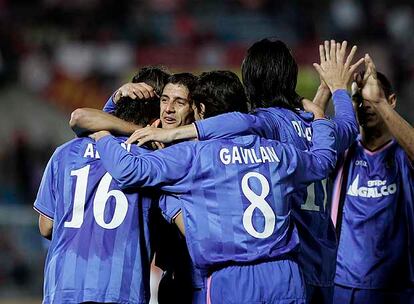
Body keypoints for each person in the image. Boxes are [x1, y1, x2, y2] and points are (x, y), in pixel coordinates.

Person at [129, 39, 363, 304]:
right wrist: (337, 89)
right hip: (321, 265)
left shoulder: (260, 125)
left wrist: (174, 134)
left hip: (281, 258)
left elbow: (235, 123)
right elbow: (347, 126)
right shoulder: (322, 128)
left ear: (249, 82)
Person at [90, 70, 338, 303]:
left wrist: (103, 133)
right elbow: (324, 160)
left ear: (198, 109)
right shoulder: (276, 151)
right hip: (282, 273)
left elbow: (125, 167)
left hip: (218, 277)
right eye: (164, 100)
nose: (168, 109)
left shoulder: (193, 155)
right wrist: (320, 115)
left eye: (180, 102)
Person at [34, 91, 161, 303]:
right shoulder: (150, 163)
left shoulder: (63, 153)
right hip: (121, 288)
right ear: (154, 122)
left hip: (63, 286)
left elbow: (46, 226)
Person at [331, 55, 414, 304]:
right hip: (345, 284)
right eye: (358, 99)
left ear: (391, 101)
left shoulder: (403, 152)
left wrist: (380, 103)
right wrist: (330, 88)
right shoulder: (343, 150)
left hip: (397, 285)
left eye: (370, 98)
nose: (364, 104)